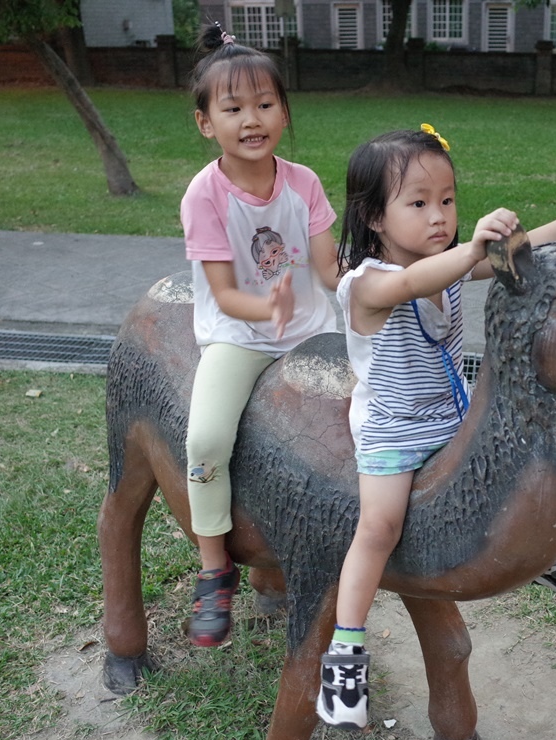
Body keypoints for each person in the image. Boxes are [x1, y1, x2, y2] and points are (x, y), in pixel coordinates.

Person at [317, 125, 556, 729]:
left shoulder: (447, 266)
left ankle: (549, 557)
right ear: (375, 217)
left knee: (518, 473)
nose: (440, 216)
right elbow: (410, 284)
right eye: (419, 203)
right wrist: (473, 247)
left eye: (448, 201)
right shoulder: (368, 284)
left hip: (452, 416)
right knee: (379, 527)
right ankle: (345, 653)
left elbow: (522, 251)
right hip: (394, 428)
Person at [180, 22, 340, 647]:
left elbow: (329, 270)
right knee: (207, 440)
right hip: (239, 334)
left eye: (266, 104)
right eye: (234, 108)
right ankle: (215, 571)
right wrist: (266, 309)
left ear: (284, 111)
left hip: (311, 330)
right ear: (205, 123)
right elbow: (224, 293)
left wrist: (383, 275)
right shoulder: (205, 194)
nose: (253, 119)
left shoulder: (303, 182)